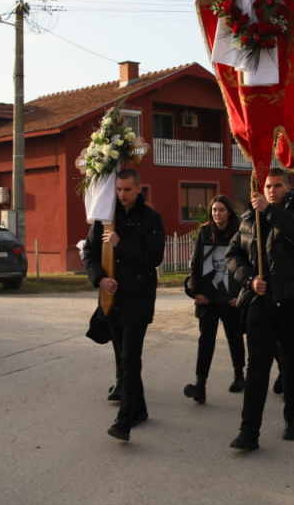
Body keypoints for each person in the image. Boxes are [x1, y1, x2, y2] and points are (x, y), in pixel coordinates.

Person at [226, 168, 294, 451]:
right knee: (257, 365)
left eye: (277, 185)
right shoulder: (250, 218)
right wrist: (249, 278)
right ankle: (249, 431)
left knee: (291, 361)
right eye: (267, 186)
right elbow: (232, 254)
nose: (271, 190)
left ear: (288, 186)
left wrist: (270, 210)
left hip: (293, 301)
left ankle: (292, 418)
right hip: (261, 301)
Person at [82, 169, 166, 443]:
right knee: (123, 356)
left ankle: (124, 418)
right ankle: (139, 409)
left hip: (138, 299)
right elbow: (90, 253)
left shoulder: (151, 219)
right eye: (118, 189)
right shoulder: (105, 217)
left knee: (130, 357)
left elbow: (153, 256)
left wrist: (121, 243)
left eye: (128, 189)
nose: (122, 194)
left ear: (139, 189)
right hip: (111, 300)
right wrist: (99, 280)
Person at [183, 195, 246, 404]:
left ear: (229, 211)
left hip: (231, 299)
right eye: (214, 210)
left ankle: (239, 376)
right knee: (205, 340)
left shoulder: (240, 233)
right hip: (207, 300)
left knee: (234, 338)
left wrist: (240, 295)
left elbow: (247, 264)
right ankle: (200, 385)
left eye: (221, 210)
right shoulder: (203, 232)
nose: (217, 214)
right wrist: (196, 292)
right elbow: (195, 264)